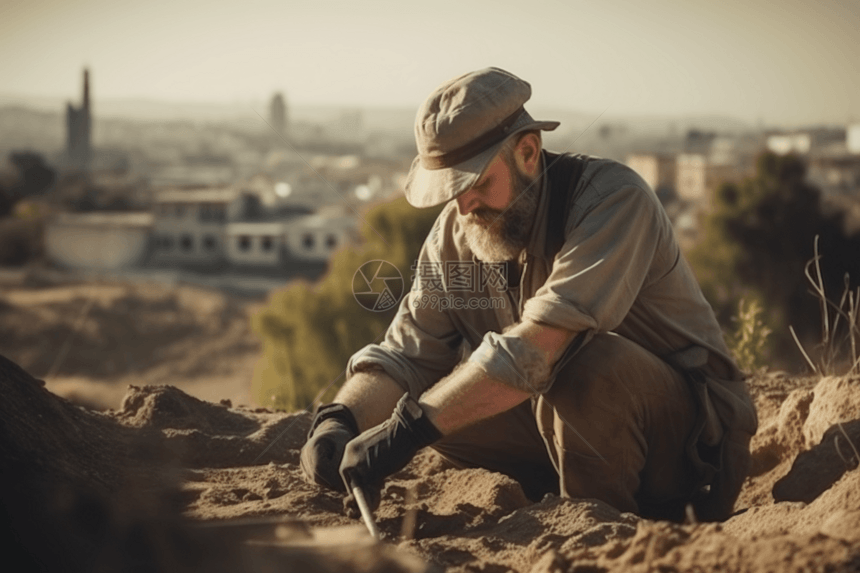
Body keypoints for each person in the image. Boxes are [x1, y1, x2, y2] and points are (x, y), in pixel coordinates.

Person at [300, 67, 758, 522]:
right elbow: (406, 354)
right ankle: (558, 496)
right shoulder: (456, 234)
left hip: (689, 448)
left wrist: (407, 432)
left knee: (586, 367)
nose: (464, 207)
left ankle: (602, 525)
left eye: (476, 183)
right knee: (438, 398)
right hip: (564, 425)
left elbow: (542, 345)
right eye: (450, 192)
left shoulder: (613, 201)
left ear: (528, 152)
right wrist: (341, 420)